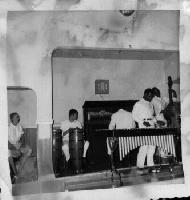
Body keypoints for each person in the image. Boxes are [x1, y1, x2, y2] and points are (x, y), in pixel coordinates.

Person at [132, 88, 157, 172]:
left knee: (152, 146)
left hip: (152, 126)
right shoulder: (138, 103)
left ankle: (151, 164)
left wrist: (156, 121)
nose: (151, 98)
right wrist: (142, 122)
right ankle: (140, 165)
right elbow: (134, 116)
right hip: (143, 126)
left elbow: (152, 116)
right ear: (145, 94)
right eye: (150, 96)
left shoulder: (151, 104)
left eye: (152, 97)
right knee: (144, 146)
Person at [8, 112, 32, 181]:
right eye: (16, 117)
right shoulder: (8, 128)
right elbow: (7, 142)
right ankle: (15, 174)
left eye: (18, 116)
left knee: (29, 150)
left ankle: (19, 169)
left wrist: (21, 144)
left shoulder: (19, 126)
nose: (18, 118)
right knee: (8, 154)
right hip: (10, 147)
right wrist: (15, 148)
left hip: (18, 145)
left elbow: (22, 137)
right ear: (12, 119)